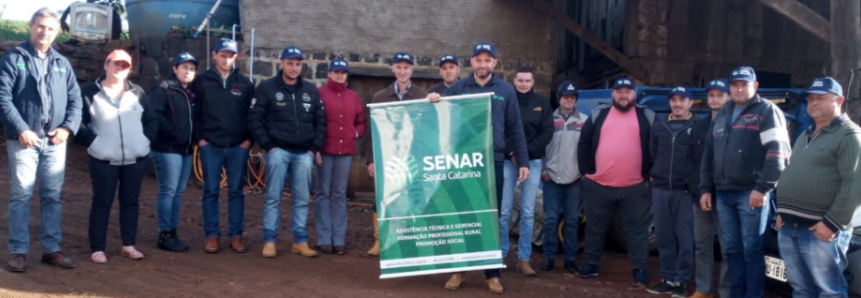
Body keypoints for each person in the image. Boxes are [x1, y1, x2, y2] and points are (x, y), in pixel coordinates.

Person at [428, 41, 530, 294]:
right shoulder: (459, 87)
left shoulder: (506, 89)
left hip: (492, 161)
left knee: (490, 218)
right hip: (462, 161)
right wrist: (433, 100)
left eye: (488, 60)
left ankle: (492, 274)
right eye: (478, 59)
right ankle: (459, 271)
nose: (483, 64)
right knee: (461, 215)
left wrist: (523, 161)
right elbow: (440, 115)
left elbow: (515, 128)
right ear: (471, 62)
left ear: (494, 63)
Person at [0, 8, 82, 272]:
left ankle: (51, 249)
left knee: (52, 195)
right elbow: (3, 97)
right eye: (41, 26)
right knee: (21, 194)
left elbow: (76, 100)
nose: (45, 31)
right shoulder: (14, 58)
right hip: (24, 139)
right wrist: (21, 128)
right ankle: (18, 250)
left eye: (50, 28)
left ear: (56, 31)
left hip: (55, 140)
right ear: (30, 26)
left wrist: (67, 129)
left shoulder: (62, 63)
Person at [699, 66, 791, 298]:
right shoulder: (722, 114)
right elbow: (709, 155)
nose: (739, 88)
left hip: (750, 194)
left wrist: (762, 188)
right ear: (730, 88)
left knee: (751, 251)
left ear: (755, 86)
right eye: (735, 84)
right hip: (723, 193)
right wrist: (705, 189)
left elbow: (778, 152)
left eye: (745, 84)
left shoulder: (766, 111)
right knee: (733, 250)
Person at [776, 77, 861, 298]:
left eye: (820, 98)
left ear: (839, 100)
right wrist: (781, 212)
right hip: (790, 225)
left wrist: (832, 223)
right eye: (811, 99)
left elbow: (854, 184)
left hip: (821, 230)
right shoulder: (805, 135)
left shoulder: (850, 135)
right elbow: (793, 173)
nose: (813, 103)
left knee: (829, 291)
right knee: (801, 289)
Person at [77, 49, 157, 263]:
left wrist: (145, 141)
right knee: (102, 201)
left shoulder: (137, 92)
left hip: (135, 157)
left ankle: (128, 245)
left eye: (125, 65)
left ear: (129, 69)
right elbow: (78, 123)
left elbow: (151, 120)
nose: (120, 68)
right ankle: (97, 248)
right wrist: (93, 142)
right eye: (116, 64)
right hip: (103, 158)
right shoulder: (89, 92)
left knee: (130, 201)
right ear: (106, 65)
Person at [248, 45, 326, 259]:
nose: (294, 67)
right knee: (273, 197)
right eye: (290, 63)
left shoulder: (310, 90)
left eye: (298, 64)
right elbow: (254, 119)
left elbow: (321, 122)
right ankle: (270, 240)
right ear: (281, 63)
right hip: (278, 151)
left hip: (304, 154)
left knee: (302, 198)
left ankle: (299, 241)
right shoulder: (267, 88)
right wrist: (268, 146)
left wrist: (313, 150)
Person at [576, 77, 655, 288]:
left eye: (627, 91)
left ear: (634, 94)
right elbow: (583, 143)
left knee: (637, 230)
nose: (623, 95)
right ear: (612, 94)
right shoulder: (598, 114)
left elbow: (657, 146)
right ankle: (591, 263)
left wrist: (651, 174)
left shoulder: (647, 115)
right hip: (599, 185)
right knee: (595, 227)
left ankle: (639, 269)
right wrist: (586, 173)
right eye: (619, 91)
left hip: (636, 186)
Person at [364, 51, 428, 256]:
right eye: (398, 67)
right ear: (393, 69)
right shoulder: (380, 97)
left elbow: (428, 130)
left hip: (413, 158)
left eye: (406, 67)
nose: (402, 71)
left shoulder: (422, 96)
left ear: (412, 70)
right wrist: (371, 160)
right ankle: (380, 240)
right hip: (387, 157)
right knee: (384, 197)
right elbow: (371, 132)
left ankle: (409, 241)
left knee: (412, 198)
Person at [195, 38, 255, 254]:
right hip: (210, 145)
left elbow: (252, 115)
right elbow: (195, 112)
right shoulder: (202, 81)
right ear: (214, 55)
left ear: (235, 57)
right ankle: (212, 235)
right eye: (222, 55)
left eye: (230, 55)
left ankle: (235, 236)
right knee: (211, 191)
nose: (226, 59)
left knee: (236, 192)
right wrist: (200, 139)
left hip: (237, 146)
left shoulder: (245, 83)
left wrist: (248, 141)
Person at [499, 65, 553, 276]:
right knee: (503, 212)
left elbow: (547, 132)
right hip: (508, 161)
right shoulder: (505, 101)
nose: (523, 84)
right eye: (519, 80)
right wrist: (513, 153)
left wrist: (524, 153)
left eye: (527, 81)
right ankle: (502, 254)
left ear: (533, 83)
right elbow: (499, 129)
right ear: (514, 81)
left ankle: (524, 259)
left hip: (532, 162)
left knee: (528, 213)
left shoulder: (542, 104)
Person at [646, 86, 697, 297]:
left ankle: (682, 282)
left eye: (682, 100)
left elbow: (699, 159)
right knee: (664, 237)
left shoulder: (698, 126)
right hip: (660, 189)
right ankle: (667, 278)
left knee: (685, 238)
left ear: (690, 103)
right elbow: (652, 153)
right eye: (674, 100)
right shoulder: (659, 126)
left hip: (684, 192)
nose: (677, 104)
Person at [149, 52, 200, 252]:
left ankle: (172, 231)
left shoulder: (192, 93)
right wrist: (176, 135)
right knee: (168, 190)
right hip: (167, 147)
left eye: (192, 68)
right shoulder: (163, 89)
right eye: (184, 67)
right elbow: (156, 115)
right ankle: (164, 233)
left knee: (178, 192)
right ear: (175, 68)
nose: (188, 71)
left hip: (186, 149)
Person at [315, 58, 366, 255]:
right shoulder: (319, 93)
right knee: (322, 192)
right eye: (336, 71)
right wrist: (315, 148)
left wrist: (354, 134)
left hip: (345, 152)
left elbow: (361, 121)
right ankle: (323, 237)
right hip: (324, 151)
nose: (339, 75)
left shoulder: (353, 96)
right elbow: (313, 121)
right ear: (329, 73)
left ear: (347, 74)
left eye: (343, 72)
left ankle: (338, 238)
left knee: (339, 194)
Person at [689, 79, 731, 298]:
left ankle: (725, 293)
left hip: (725, 197)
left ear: (729, 97)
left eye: (720, 95)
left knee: (727, 249)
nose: (715, 99)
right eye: (712, 95)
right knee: (702, 246)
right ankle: (703, 290)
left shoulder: (736, 125)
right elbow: (692, 160)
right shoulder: (700, 126)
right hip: (700, 196)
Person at [540, 80, 587, 274]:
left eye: (572, 97)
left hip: (575, 180)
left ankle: (570, 259)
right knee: (550, 220)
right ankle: (548, 258)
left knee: (572, 221)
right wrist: (543, 170)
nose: (569, 100)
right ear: (559, 99)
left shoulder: (584, 121)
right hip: (552, 178)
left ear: (575, 99)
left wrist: (585, 172)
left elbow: (589, 149)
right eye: (565, 97)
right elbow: (540, 147)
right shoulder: (548, 120)